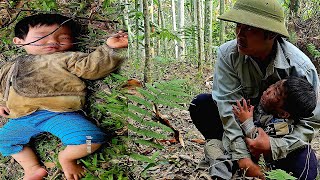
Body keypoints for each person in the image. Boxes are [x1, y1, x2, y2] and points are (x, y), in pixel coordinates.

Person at [189, 0, 320, 179]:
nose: (239, 34)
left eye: (250, 29)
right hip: (242, 125)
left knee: (306, 172)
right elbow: (228, 107)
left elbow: (309, 123)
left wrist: (273, 146)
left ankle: (264, 160)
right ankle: (229, 153)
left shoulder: (301, 68)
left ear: (271, 34)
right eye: (238, 26)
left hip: (278, 133)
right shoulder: (229, 55)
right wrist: (243, 158)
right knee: (201, 104)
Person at [0, 13, 127, 180]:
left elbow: (93, 68)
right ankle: (31, 168)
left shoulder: (67, 58)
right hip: (21, 117)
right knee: (3, 142)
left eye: (63, 37)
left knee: (91, 140)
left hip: (60, 113)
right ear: (19, 41)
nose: (52, 41)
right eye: (42, 37)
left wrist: (110, 48)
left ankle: (67, 157)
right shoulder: (11, 67)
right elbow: (3, 85)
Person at [233, 76, 316, 141]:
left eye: (275, 93)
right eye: (274, 85)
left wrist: (247, 121)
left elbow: (258, 141)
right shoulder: (265, 108)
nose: (268, 90)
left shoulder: (282, 127)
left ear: (283, 114)